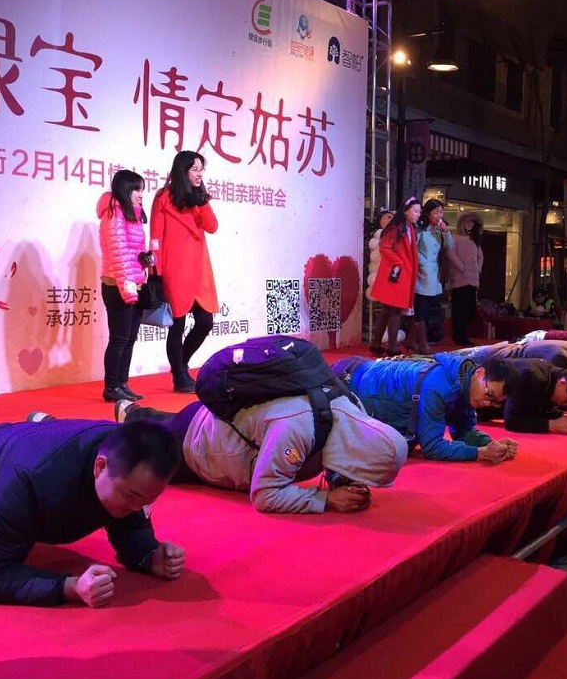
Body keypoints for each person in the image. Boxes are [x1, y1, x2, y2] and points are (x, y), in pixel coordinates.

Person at [0, 419, 185, 606]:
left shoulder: (124, 458)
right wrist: (70, 587)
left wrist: (148, 555)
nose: (137, 507)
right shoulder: (32, 478)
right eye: (131, 497)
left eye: (149, 499)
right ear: (100, 467)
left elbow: (130, 520)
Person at [114, 393, 407, 514]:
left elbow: (332, 447)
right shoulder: (296, 427)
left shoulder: (349, 406)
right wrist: (326, 500)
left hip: (214, 425)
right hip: (197, 443)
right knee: (134, 445)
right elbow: (265, 495)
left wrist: (341, 479)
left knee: (158, 422)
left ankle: (133, 411)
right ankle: (125, 415)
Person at [334, 353, 519, 464]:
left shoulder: (465, 383)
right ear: (479, 373)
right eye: (489, 395)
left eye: (495, 403)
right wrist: (480, 453)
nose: (487, 403)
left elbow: (463, 430)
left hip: (363, 372)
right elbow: (432, 447)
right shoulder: (439, 386)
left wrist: (489, 444)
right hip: (345, 383)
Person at [151, 150, 220, 393]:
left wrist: (201, 203)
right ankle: (180, 376)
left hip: (199, 269)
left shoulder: (200, 197)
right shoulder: (163, 197)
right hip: (175, 269)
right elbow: (156, 237)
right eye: (194, 169)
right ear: (183, 171)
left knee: (205, 321)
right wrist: (156, 272)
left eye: (201, 169)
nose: (199, 174)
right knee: (177, 324)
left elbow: (212, 227)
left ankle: (180, 364)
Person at [98, 170, 149, 402]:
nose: (141, 194)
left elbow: (131, 251)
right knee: (119, 338)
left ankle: (122, 383)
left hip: (132, 283)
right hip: (118, 285)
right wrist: (128, 289)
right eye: (137, 189)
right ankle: (111, 386)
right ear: (125, 189)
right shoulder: (114, 214)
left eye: (142, 189)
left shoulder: (131, 214)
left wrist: (145, 260)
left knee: (129, 338)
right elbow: (118, 254)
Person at [369, 197, 421, 356]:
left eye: (419, 211)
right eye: (416, 211)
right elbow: (385, 247)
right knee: (395, 311)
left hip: (399, 274)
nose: (418, 214)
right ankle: (392, 348)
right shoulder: (398, 227)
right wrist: (399, 262)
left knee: (387, 310)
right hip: (396, 276)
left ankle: (376, 344)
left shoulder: (408, 227)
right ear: (406, 211)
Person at [491, 363, 567, 434]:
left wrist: (562, 416)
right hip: (483, 412)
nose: (564, 405)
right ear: (563, 383)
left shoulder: (553, 378)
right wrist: (552, 425)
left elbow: (538, 410)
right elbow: (511, 421)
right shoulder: (529, 377)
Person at [409, 198, 452, 355]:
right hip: (422, 272)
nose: (439, 215)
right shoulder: (420, 229)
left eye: (441, 212)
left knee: (428, 308)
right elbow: (414, 249)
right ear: (427, 213)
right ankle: (422, 342)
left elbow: (449, 246)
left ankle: (411, 340)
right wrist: (422, 263)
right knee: (421, 307)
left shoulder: (438, 230)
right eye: (436, 212)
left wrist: (445, 231)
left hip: (434, 273)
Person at [448, 211, 484, 346]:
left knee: (470, 310)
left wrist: (478, 269)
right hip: (459, 279)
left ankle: (463, 335)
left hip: (472, 279)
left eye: (473, 223)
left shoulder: (474, 240)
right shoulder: (455, 238)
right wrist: (461, 267)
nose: (470, 225)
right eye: (468, 222)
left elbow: (480, 256)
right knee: (460, 309)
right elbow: (451, 254)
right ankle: (459, 336)